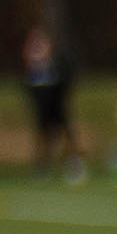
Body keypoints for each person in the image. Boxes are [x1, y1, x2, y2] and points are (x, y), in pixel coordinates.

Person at [19, 30, 81, 182]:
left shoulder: (56, 66)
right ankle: (43, 166)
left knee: (67, 135)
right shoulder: (30, 71)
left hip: (57, 105)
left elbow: (66, 84)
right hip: (42, 108)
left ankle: (73, 163)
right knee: (43, 136)